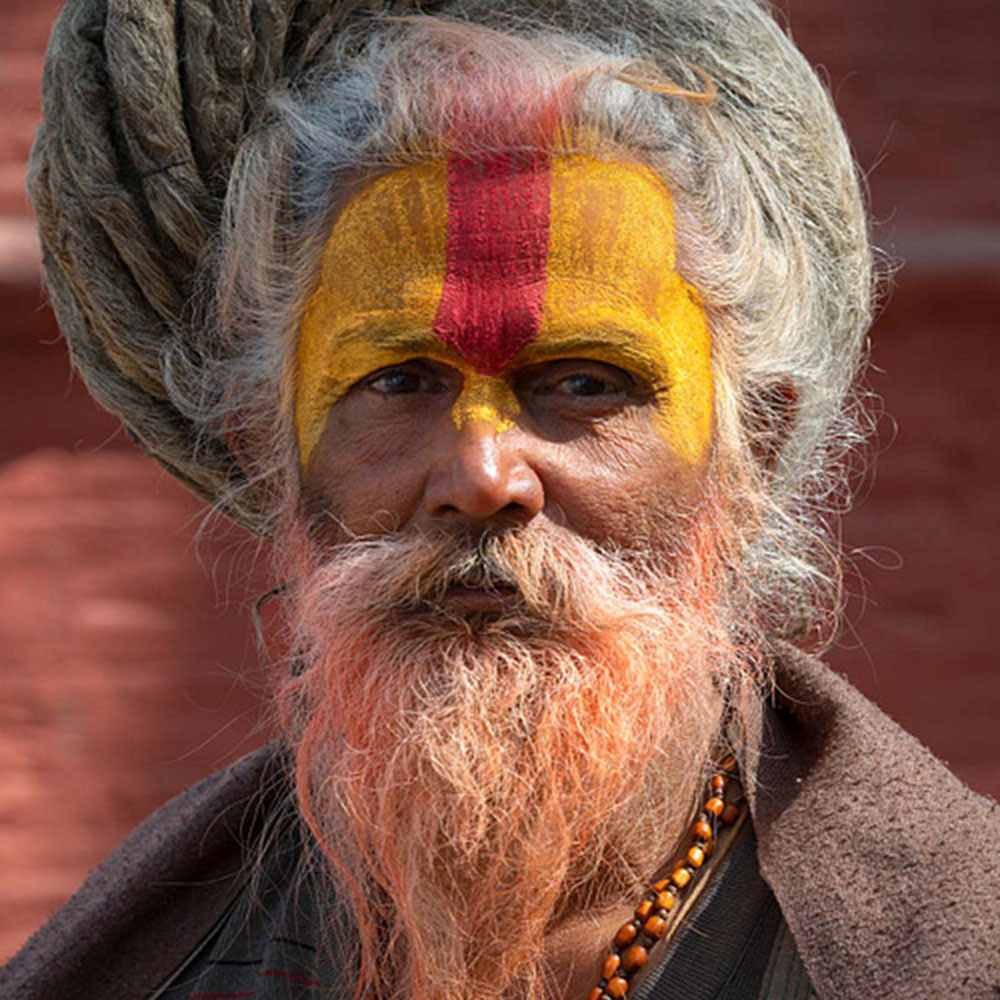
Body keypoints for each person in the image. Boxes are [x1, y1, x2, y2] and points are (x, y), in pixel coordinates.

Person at [4, 1, 998, 998]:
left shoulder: (948, 947)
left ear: (749, 452)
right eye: (398, 381)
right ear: (272, 456)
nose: (484, 477)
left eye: (583, 383)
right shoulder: (141, 970)